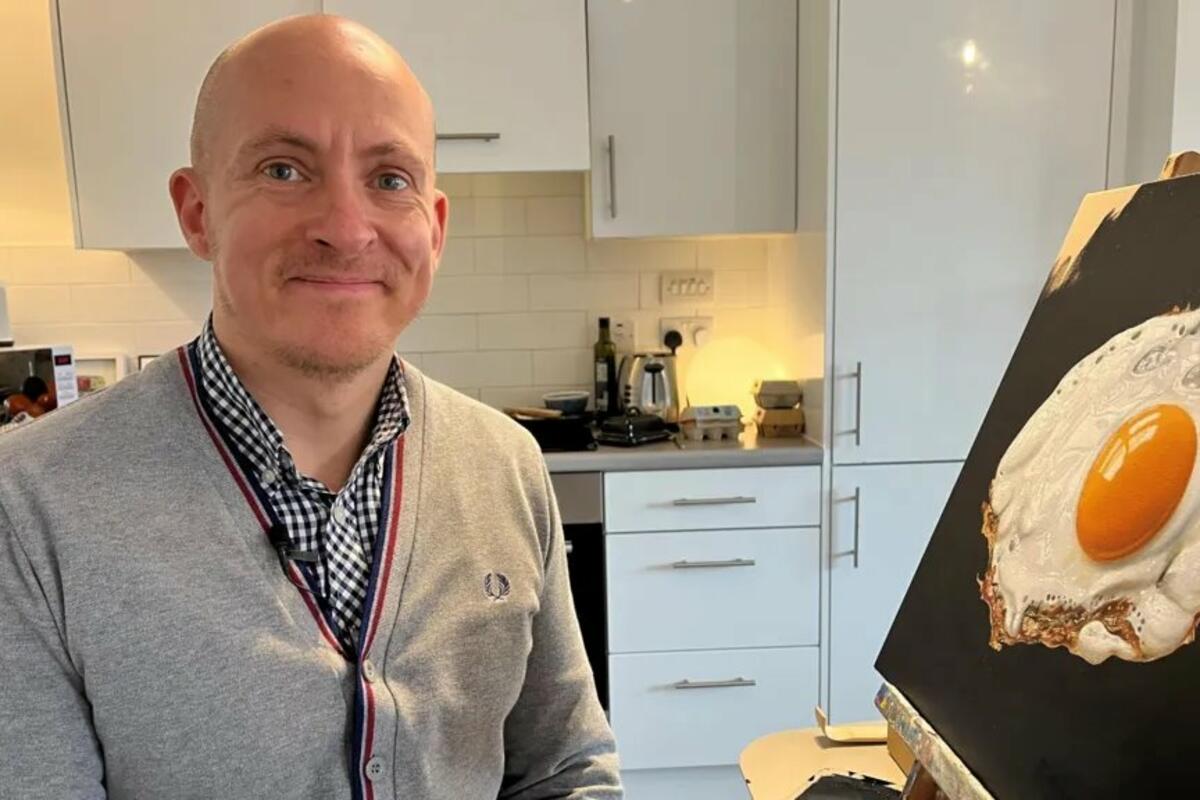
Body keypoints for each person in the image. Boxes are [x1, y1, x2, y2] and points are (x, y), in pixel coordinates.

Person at [0, 14, 621, 799]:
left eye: (389, 179)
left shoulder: (504, 466)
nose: (345, 229)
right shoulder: (29, 507)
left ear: (433, 230)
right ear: (197, 212)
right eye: (284, 170)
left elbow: (566, 770)